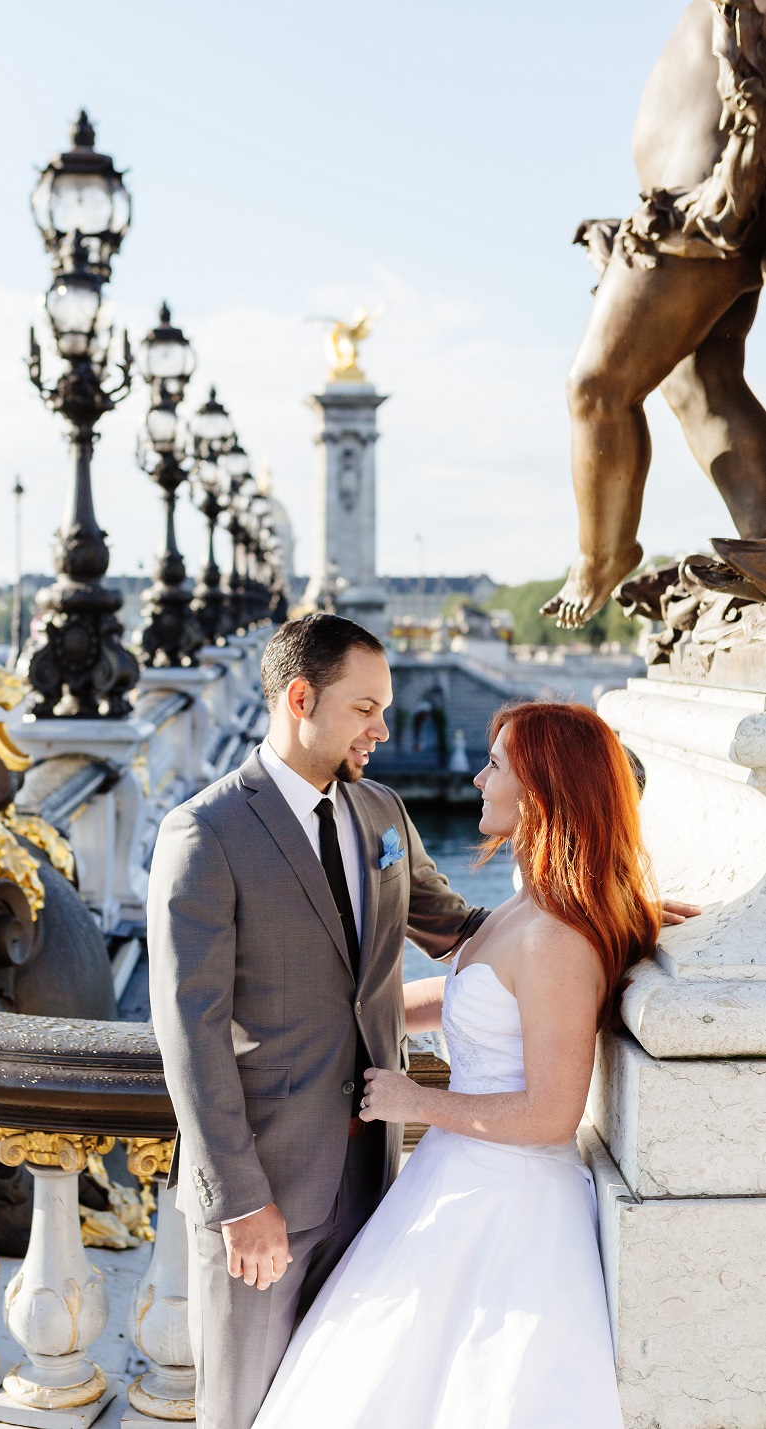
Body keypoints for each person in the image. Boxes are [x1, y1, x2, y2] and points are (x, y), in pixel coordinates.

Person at [148, 615, 697, 1429]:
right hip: (266, 1187)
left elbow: (472, 936)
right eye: (365, 708)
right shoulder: (204, 831)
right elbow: (189, 1034)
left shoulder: (379, 812)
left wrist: (616, 910)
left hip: (380, 1180)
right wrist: (237, 1199)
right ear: (301, 698)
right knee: (246, 1404)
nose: (385, 728)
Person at [252, 702, 659, 1428]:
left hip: (507, 1207)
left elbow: (551, 1114)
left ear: (538, 791)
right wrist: (324, 1022)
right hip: (458, 1178)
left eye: (495, 764)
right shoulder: (522, 911)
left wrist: (417, 1102)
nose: (476, 776)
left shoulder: (554, 937)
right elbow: (470, 995)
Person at [543, 0, 766, 629]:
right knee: (703, 383)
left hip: (707, 201)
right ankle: (764, 534)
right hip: (701, 193)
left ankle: (602, 556)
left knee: (597, 385)